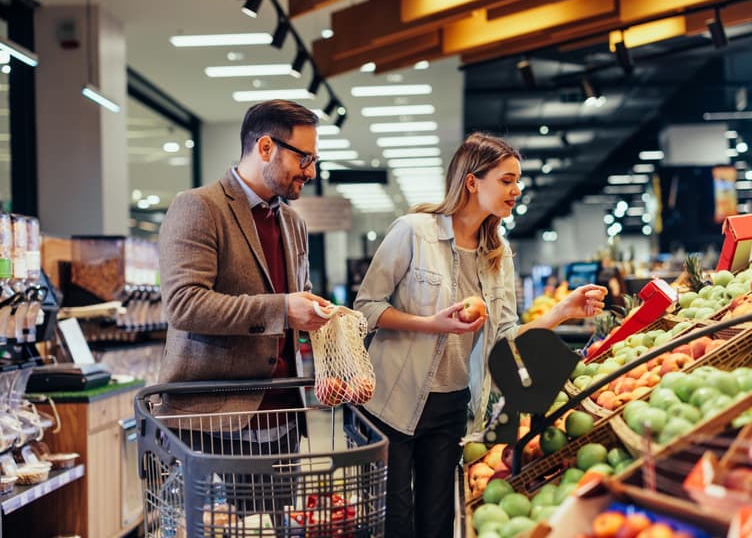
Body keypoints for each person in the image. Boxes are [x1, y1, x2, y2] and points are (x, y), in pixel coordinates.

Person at [354, 132, 608, 538]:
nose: (517, 189)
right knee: (394, 521)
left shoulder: (497, 253)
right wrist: (432, 323)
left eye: (517, 180)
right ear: (472, 182)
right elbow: (365, 309)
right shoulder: (414, 231)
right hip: (392, 400)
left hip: (453, 404)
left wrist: (562, 312)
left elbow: (505, 335)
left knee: (439, 522)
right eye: (507, 180)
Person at [157, 99, 332, 477]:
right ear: (266, 147)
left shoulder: (293, 223)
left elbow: (296, 300)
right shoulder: (199, 207)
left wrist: (326, 327)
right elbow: (184, 305)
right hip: (212, 424)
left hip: (283, 417)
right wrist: (283, 309)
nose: (312, 172)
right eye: (304, 159)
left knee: (275, 528)